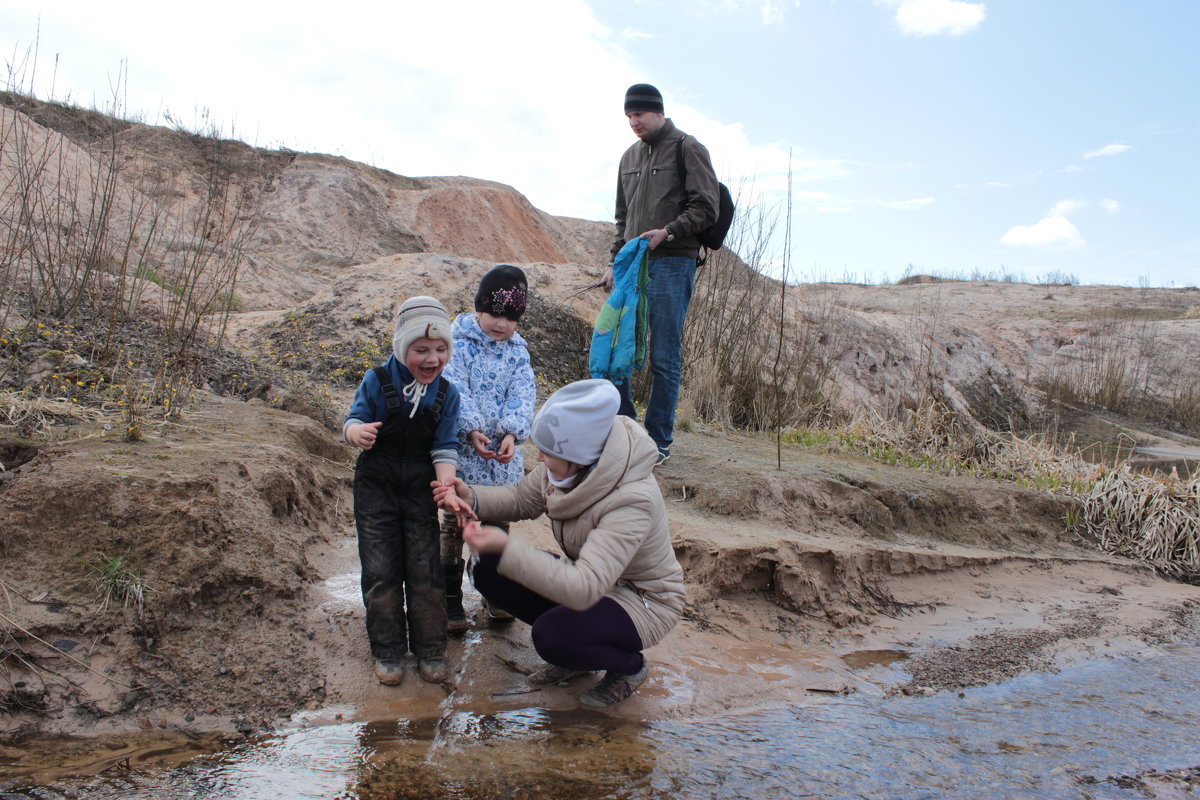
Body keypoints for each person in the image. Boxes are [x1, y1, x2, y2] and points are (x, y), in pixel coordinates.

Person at [435, 379, 685, 707]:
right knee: (487, 567)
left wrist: (507, 547)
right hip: (589, 579)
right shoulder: (568, 463)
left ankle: (629, 667)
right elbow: (521, 498)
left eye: (547, 452)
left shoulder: (632, 500)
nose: (538, 458)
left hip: (642, 600)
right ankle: (577, 653)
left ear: (578, 455)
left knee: (552, 636)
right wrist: (472, 496)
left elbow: (583, 589)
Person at [344, 296, 462, 686]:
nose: (432, 359)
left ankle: (430, 649)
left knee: (425, 570)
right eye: (421, 349)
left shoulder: (447, 394)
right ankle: (388, 650)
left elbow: (445, 447)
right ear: (401, 347)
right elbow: (353, 419)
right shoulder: (376, 381)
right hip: (375, 491)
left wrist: (445, 485)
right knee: (381, 570)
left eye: (440, 349)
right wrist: (355, 433)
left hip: (418, 494)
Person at [607, 83, 720, 466]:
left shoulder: (688, 148)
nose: (634, 122)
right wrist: (613, 262)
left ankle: (657, 442)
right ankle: (625, 430)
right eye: (628, 116)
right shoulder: (628, 157)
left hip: (673, 262)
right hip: (631, 265)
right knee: (617, 350)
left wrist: (667, 232)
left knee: (663, 355)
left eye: (639, 114)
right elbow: (621, 219)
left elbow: (707, 207)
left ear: (658, 111)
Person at [440, 265, 536, 631]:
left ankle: (495, 591)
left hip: (501, 463)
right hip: (464, 457)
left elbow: (523, 394)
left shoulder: (518, 353)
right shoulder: (458, 344)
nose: (502, 324)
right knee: (453, 524)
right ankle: (449, 597)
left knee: (498, 527)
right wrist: (472, 429)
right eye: (495, 313)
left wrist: (512, 433)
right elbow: (454, 387)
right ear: (479, 307)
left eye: (511, 317)